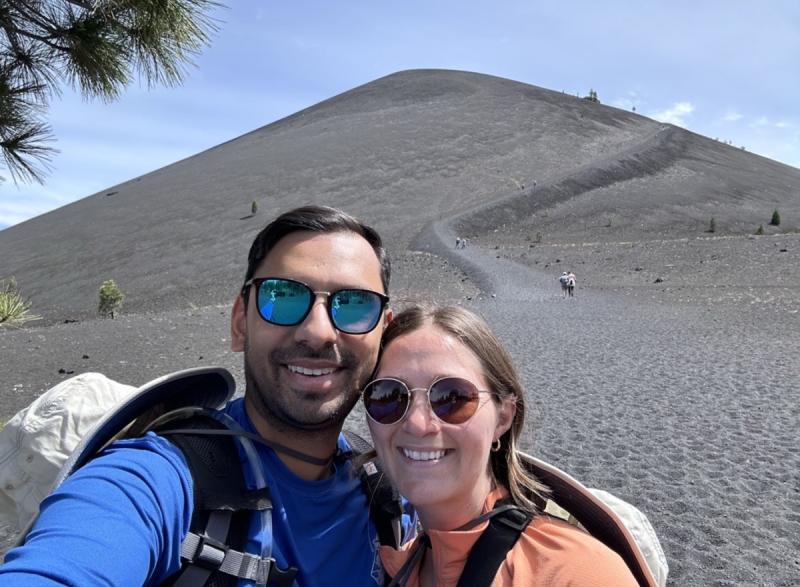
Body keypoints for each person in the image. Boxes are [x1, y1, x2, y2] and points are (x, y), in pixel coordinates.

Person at [0, 205, 395, 586]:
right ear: (241, 322)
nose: (319, 332)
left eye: (355, 305)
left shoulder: (389, 483)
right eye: (283, 296)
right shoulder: (158, 479)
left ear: (384, 333)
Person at [361, 305, 638, 586]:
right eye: (389, 396)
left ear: (503, 417)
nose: (418, 424)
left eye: (452, 397)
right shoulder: (401, 566)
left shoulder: (573, 572)